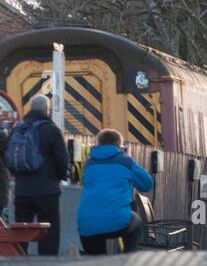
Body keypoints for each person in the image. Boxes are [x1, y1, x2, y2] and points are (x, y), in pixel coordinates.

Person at [4, 95, 70, 255]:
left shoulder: (17, 129)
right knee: (49, 230)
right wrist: (60, 177)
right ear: (46, 110)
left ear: (30, 109)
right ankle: (46, 265)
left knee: (21, 230)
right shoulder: (51, 130)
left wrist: (17, 174)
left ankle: (19, 261)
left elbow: (8, 156)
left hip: (22, 190)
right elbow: (62, 159)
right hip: (47, 190)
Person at [78, 128, 154, 255]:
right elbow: (147, 185)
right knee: (137, 222)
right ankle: (126, 261)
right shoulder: (125, 161)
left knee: (97, 264)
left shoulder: (89, 164)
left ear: (98, 144)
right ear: (120, 145)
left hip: (87, 224)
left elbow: (84, 183)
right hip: (118, 220)